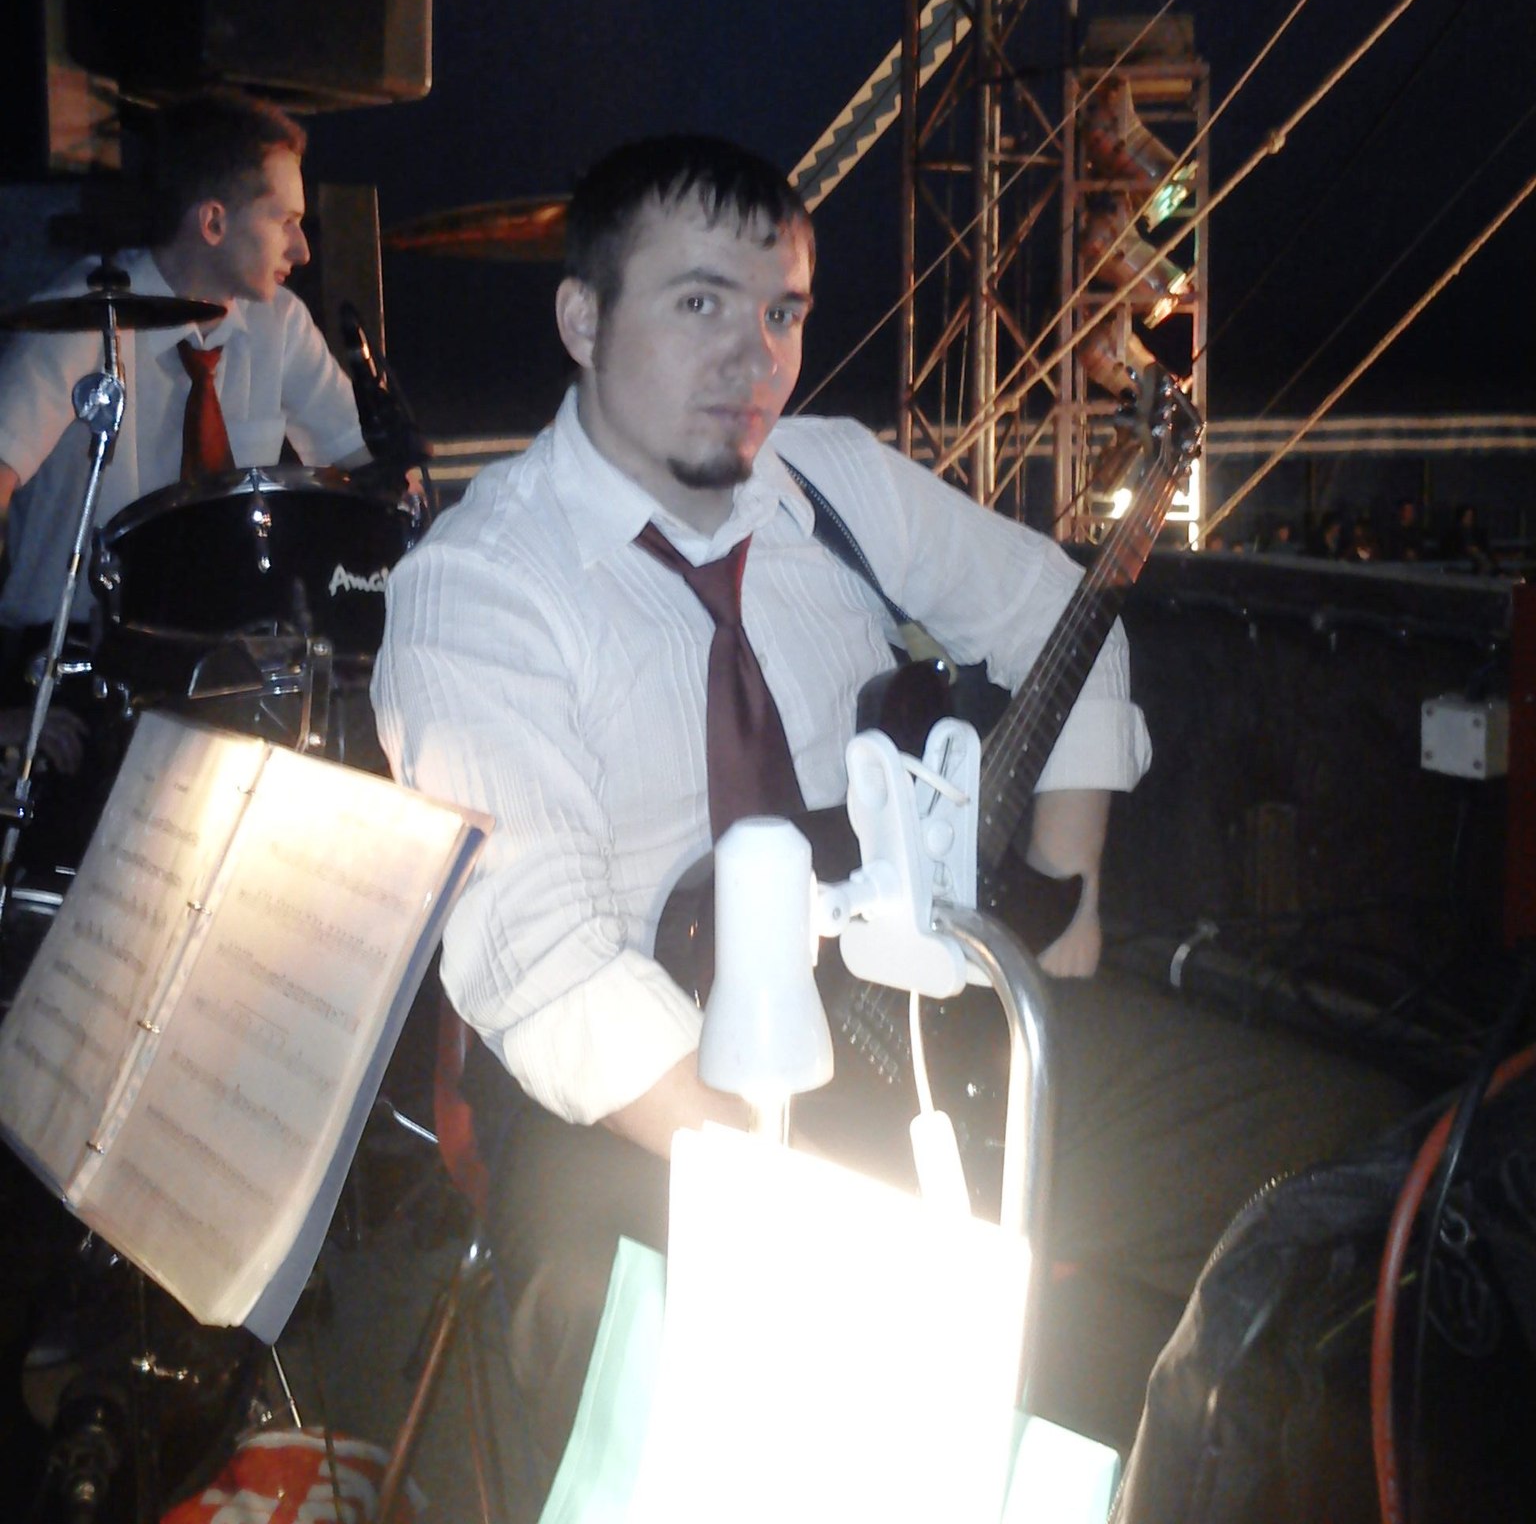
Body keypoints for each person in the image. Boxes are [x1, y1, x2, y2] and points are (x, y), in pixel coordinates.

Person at [373, 136, 1410, 1511]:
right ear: (582, 317)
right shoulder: (478, 587)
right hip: (641, 1095)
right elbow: (549, 967)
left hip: (912, 1015)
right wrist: (804, 1184)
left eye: (782, 311)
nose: (753, 357)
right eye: (699, 302)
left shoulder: (832, 482)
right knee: (665, 1353)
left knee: (1368, 1188)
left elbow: (1065, 615)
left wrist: (1066, 894)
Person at [0, 90, 371, 673]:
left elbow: (365, 468)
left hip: (217, 658)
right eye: (285, 222)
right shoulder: (80, 320)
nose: (302, 249)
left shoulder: (280, 323)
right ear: (213, 222)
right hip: (68, 660)